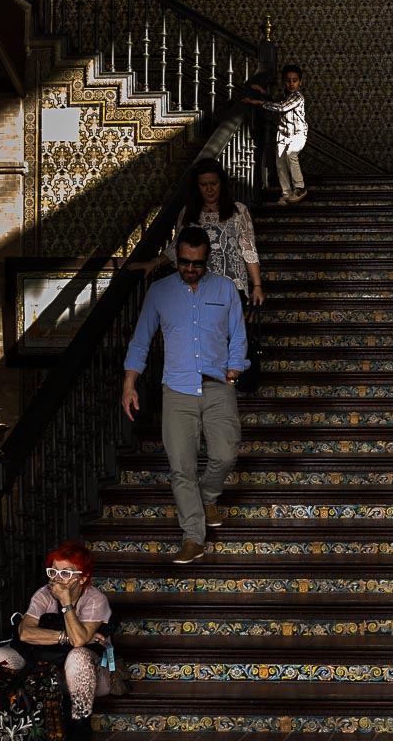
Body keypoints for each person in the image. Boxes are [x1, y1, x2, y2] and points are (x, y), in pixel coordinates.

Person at [122, 225, 248, 565]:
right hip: (177, 390)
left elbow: (238, 334)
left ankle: (208, 495)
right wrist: (129, 383)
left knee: (225, 453)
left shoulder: (224, 289)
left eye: (197, 263)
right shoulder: (160, 293)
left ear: (208, 260)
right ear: (176, 258)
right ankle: (193, 537)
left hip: (219, 387)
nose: (190, 269)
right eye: (184, 262)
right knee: (181, 467)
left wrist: (235, 368)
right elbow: (141, 341)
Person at [0, 541, 112, 728]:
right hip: (44, 668)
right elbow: (25, 633)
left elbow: (79, 642)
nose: (57, 579)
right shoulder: (44, 594)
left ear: (83, 578)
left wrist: (66, 602)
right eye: (53, 572)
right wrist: (65, 637)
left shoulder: (95, 599)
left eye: (66, 573)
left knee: (78, 656)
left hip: (90, 676)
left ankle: (79, 725)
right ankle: (4, 721)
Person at [128, 158, 265, 306]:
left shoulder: (238, 211)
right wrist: (154, 263)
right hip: (195, 286)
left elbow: (248, 249)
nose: (209, 189)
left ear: (222, 184)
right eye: (203, 185)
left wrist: (257, 286)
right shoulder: (188, 212)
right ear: (197, 187)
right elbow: (177, 247)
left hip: (230, 287)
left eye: (213, 183)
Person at [243, 64, 308, 205]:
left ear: (300, 82)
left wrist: (259, 102)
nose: (291, 84)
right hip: (283, 134)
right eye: (288, 80)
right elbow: (277, 102)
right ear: (284, 81)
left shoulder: (298, 97)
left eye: (295, 80)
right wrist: (263, 93)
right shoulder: (285, 95)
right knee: (280, 164)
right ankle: (287, 195)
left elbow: (282, 107)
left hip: (297, 134)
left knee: (291, 154)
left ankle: (300, 188)